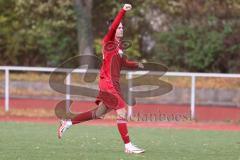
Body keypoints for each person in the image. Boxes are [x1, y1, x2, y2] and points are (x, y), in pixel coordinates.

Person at [57, 4, 145, 154]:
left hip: (112, 84)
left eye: (122, 27)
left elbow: (124, 64)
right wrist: (123, 10)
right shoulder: (108, 41)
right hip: (108, 83)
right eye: (119, 27)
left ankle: (68, 123)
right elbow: (113, 26)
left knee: (98, 113)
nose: (121, 29)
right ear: (113, 29)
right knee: (122, 110)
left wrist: (138, 65)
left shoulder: (118, 47)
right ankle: (128, 146)